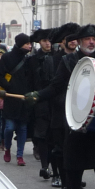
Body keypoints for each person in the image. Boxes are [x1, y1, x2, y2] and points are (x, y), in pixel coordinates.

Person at [28, 25, 95, 189]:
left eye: (94, 39)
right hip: (76, 118)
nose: (91, 42)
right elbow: (56, 86)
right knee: (73, 163)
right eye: (87, 39)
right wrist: (38, 95)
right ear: (80, 41)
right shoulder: (68, 61)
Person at [47, 23, 80, 189]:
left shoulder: (82, 59)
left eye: (75, 39)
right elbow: (52, 85)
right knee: (60, 147)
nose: (73, 42)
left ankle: (74, 183)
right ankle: (61, 179)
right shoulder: (53, 59)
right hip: (60, 108)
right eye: (70, 39)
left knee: (76, 148)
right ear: (62, 42)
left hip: (78, 109)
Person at [0, 33, 33, 165]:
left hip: (24, 99)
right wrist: (9, 87)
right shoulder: (7, 57)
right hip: (11, 98)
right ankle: (7, 148)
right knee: (9, 127)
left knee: (22, 128)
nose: (30, 45)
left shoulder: (29, 59)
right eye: (27, 43)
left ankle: (19, 155)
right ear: (21, 44)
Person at [28, 28, 56, 179]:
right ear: (40, 42)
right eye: (45, 41)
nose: (48, 44)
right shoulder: (32, 60)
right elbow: (29, 81)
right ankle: (45, 166)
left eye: (50, 41)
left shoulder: (58, 58)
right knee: (42, 135)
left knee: (55, 136)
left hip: (55, 102)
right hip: (39, 102)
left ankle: (56, 170)